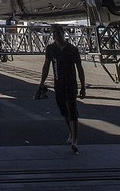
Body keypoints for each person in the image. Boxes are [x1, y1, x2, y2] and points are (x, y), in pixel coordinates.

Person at [38, 25, 87, 154]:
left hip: (71, 84)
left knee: (72, 110)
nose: (56, 35)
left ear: (63, 34)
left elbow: (80, 68)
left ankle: (74, 141)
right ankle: (71, 133)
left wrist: (83, 86)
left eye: (58, 33)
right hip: (58, 84)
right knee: (64, 111)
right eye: (54, 33)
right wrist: (41, 83)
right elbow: (46, 66)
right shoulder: (51, 49)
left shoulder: (72, 49)